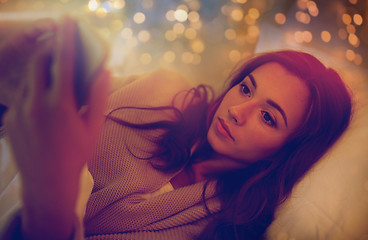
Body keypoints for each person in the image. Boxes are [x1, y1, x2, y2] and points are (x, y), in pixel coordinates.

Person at [0, 17, 352, 240]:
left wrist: (54, 198)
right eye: (246, 88)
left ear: (288, 151)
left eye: (268, 117)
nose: (238, 111)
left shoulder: (221, 227)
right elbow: (33, 107)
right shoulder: (159, 90)